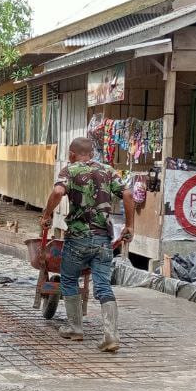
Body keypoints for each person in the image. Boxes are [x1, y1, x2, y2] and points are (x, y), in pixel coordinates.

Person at [39, 137, 135, 353]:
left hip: (78, 238)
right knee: (103, 285)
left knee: (70, 278)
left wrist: (47, 213)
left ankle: (75, 328)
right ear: (91, 153)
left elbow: (57, 193)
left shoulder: (69, 170)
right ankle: (111, 335)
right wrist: (129, 226)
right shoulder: (108, 170)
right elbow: (128, 195)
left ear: (72, 154)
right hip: (103, 239)